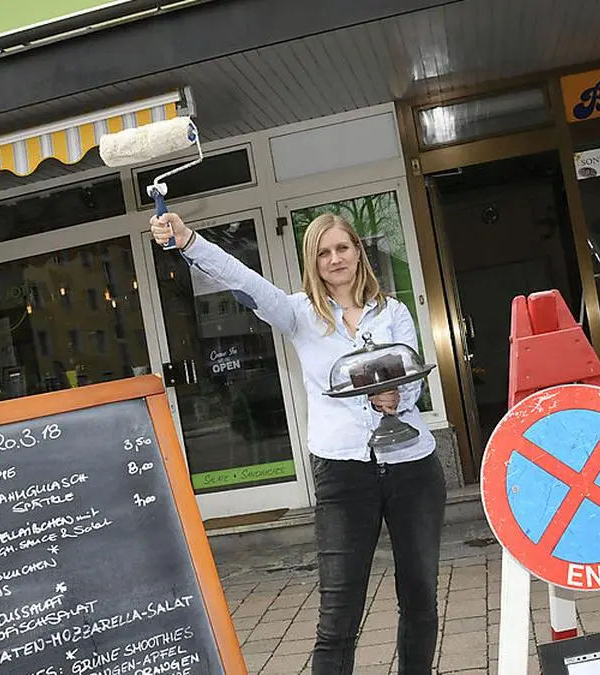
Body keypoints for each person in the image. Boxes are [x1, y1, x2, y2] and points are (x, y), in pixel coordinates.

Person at [150, 211, 446, 674]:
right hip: (344, 473)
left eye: (342, 248)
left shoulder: (394, 311)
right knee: (338, 615)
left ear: (357, 252)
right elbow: (241, 277)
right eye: (323, 252)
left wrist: (397, 394)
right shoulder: (299, 314)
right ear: (313, 262)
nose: (335, 259)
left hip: (413, 467)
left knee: (420, 599)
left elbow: (411, 373)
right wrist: (188, 241)